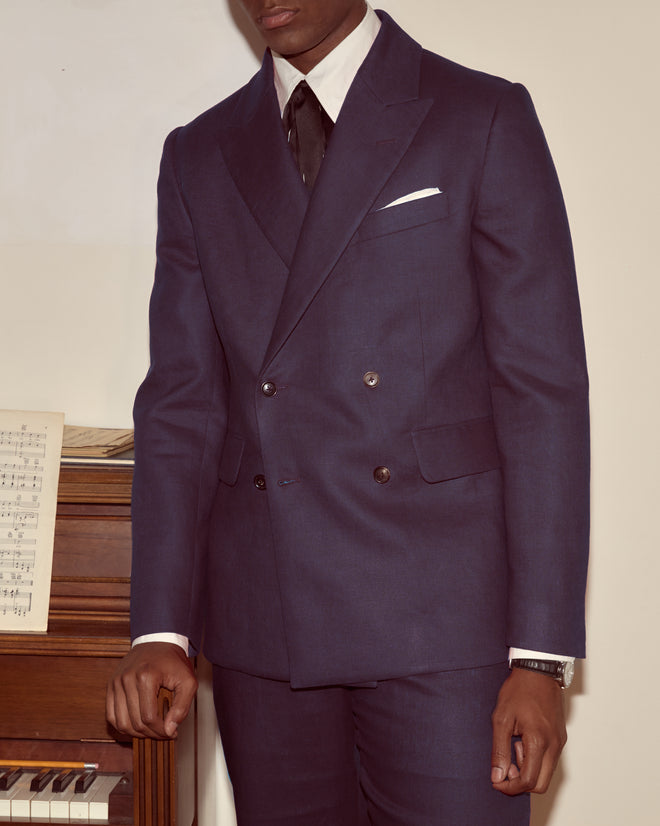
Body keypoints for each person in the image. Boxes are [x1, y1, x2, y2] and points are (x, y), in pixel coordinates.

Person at [106, 2, 590, 823]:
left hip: (444, 629)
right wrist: (160, 628)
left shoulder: (479, 115)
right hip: (267, 628)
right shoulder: (198, 153)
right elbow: (181, 405)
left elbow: (541, 393)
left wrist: (539, 660)